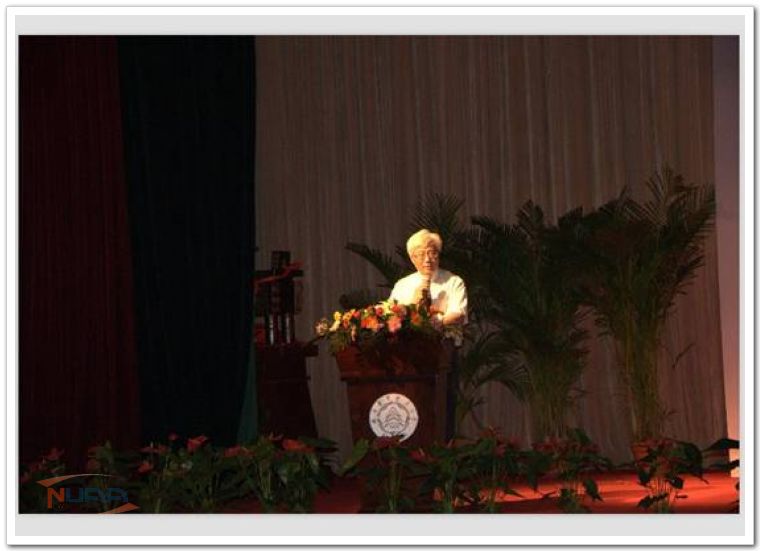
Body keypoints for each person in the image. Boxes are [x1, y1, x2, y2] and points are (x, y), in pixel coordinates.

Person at [389, 229, 467, 328]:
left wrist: (437, 323)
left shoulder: (454, 281)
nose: (427, 259)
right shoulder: (402, 285)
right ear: (412, 259)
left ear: (439, 254)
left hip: (443, 336)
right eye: (421, 254)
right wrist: (412, 304)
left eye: (432, 253)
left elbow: (459, 314)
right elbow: (390, 315)